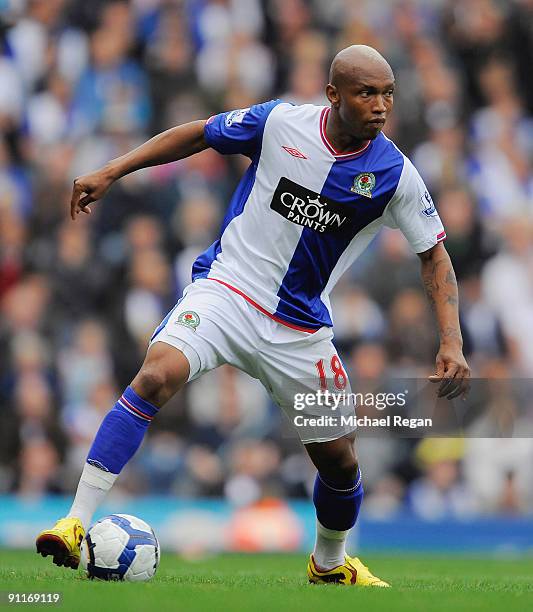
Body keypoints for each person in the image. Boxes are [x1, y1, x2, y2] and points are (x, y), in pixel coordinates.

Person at [36, 45, 470, 586]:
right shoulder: (278, 123)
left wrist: (451, 341)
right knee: (155, 374)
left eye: (387, 94)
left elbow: (434, 255)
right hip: (228, 291)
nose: (380, 105)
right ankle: (75, 522)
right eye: (366, 92)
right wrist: (113, 169)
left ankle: (330, 565)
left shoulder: (395, 176)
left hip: (300, 330)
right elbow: (199, 132)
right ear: (333, 94)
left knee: (340, 465)